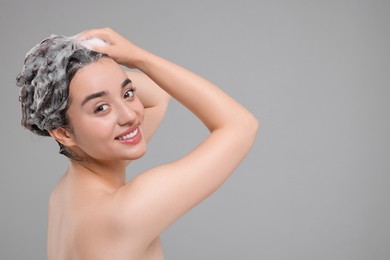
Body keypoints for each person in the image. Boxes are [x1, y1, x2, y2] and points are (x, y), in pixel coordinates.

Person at [17, 28, 258, 260]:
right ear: (63, 133)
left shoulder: (67, 194)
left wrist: (86, 70)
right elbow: (241, 126)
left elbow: (158, 97)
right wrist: (138, 57)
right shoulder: (123, 213)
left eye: (128, 94)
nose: (129, 116)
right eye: (100, 108)